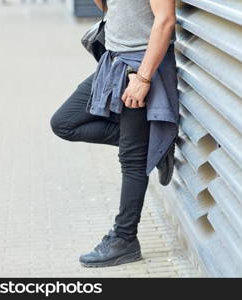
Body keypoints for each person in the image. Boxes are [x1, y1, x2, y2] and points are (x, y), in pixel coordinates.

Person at [50, 0, 178, 268]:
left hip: (139, 66)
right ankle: (155, 145)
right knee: (65, 122)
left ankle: (124, 239)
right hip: (112, 60)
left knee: (132, 160)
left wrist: (142, 79)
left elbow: (165, 20)